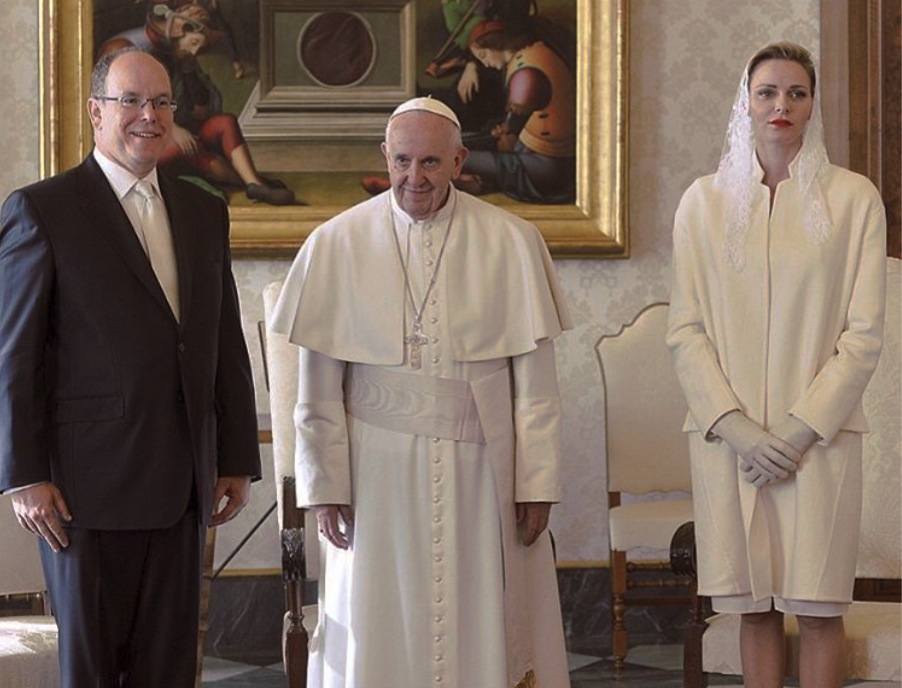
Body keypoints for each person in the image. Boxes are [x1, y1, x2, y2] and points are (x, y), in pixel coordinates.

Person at [271, 96, 572, 688]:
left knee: (478, 621)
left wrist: (537, 483)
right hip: (375, 475)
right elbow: (318, 390)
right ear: (385, 156)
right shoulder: (336, 243)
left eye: (431, 162)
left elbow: (537, 388)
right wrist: (325, 488)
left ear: (459, 161)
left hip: (479, 474)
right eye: (402, 161)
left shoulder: (511, 240)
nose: (415, 177)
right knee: (382, 625)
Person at [0, 47, 261, 687]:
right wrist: (23, 475)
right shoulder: (43, 209)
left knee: (169, 672)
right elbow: (14, 353)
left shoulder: (204, 211)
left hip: (183, 484)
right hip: (84, 493)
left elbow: (222, 338)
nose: (150, 115)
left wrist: (235, 455)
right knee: (95, 673)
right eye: (132, 101)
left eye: (162, 102)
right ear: (96, 112)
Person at [666, 42, 886, 687]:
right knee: (753, 609)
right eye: (767, 92)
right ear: (746, 102)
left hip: (818, 441)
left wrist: (794, 433)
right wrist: (738, 430)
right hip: (727, 443)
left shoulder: (854, 200)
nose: (781, 105)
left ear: (813, 104)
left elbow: (863, 335)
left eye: (796, 93)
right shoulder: (701, 203)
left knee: (817, 610)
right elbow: (685, 331)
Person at [98, 2, 297, 205]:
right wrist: (173, 130)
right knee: (190, 148)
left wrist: (189, 72)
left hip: (171, 131)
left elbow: (201, 111)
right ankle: (251, 182)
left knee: (224, 123)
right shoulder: (125, 49)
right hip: (140, 143)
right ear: (179, 30)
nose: (194, 51)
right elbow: (124, 108)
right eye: (193, 43)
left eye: (199, 48)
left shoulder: (178, 54)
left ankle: (254, 184)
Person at [456, 19, 576, 204]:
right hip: (532, 152)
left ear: (496, 43)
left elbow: (508, 140)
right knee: (461, 145)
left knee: (455, 157)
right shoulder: (532, 53)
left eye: (483, 55)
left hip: (547, 168)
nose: (485, 63)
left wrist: (499, 135)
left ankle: (475, 182)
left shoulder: (525, 72)